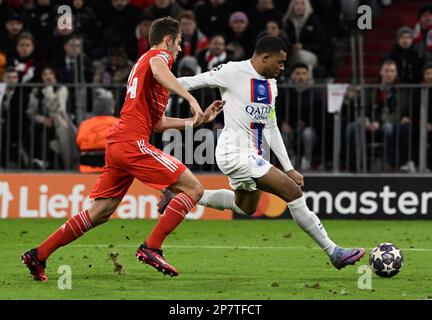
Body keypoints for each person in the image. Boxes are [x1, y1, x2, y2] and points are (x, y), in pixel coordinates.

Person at [21, 17, 224, 281]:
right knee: (193, 188)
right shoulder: (158, 58)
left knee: (101, 212)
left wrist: (197, 121)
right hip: (131, 142)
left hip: (120, 142)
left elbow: (159, 124)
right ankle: (152, 247)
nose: (180, 49)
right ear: (169, 40)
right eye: (179, 43)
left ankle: (38, 254)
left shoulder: (146, 68)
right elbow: (159, 66)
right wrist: (190, 98)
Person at [161, 35, 365, 270]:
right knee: (293, 192)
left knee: (245, 207)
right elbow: (190, 82)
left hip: (254, 155)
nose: (282, 67)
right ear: (265, 57)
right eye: (279, 62)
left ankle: (180, 193)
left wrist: (288, 167)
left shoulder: (271, 85)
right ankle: (334, 251)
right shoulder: (232, 71)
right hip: (233, 152)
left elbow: (271, 126)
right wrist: (154, 81)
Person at [76, 94, 119, 173]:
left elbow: (78, 144)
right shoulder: (120, 123)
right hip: (114, 169)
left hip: (86, 168)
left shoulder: (84, 124)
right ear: (111, 109)